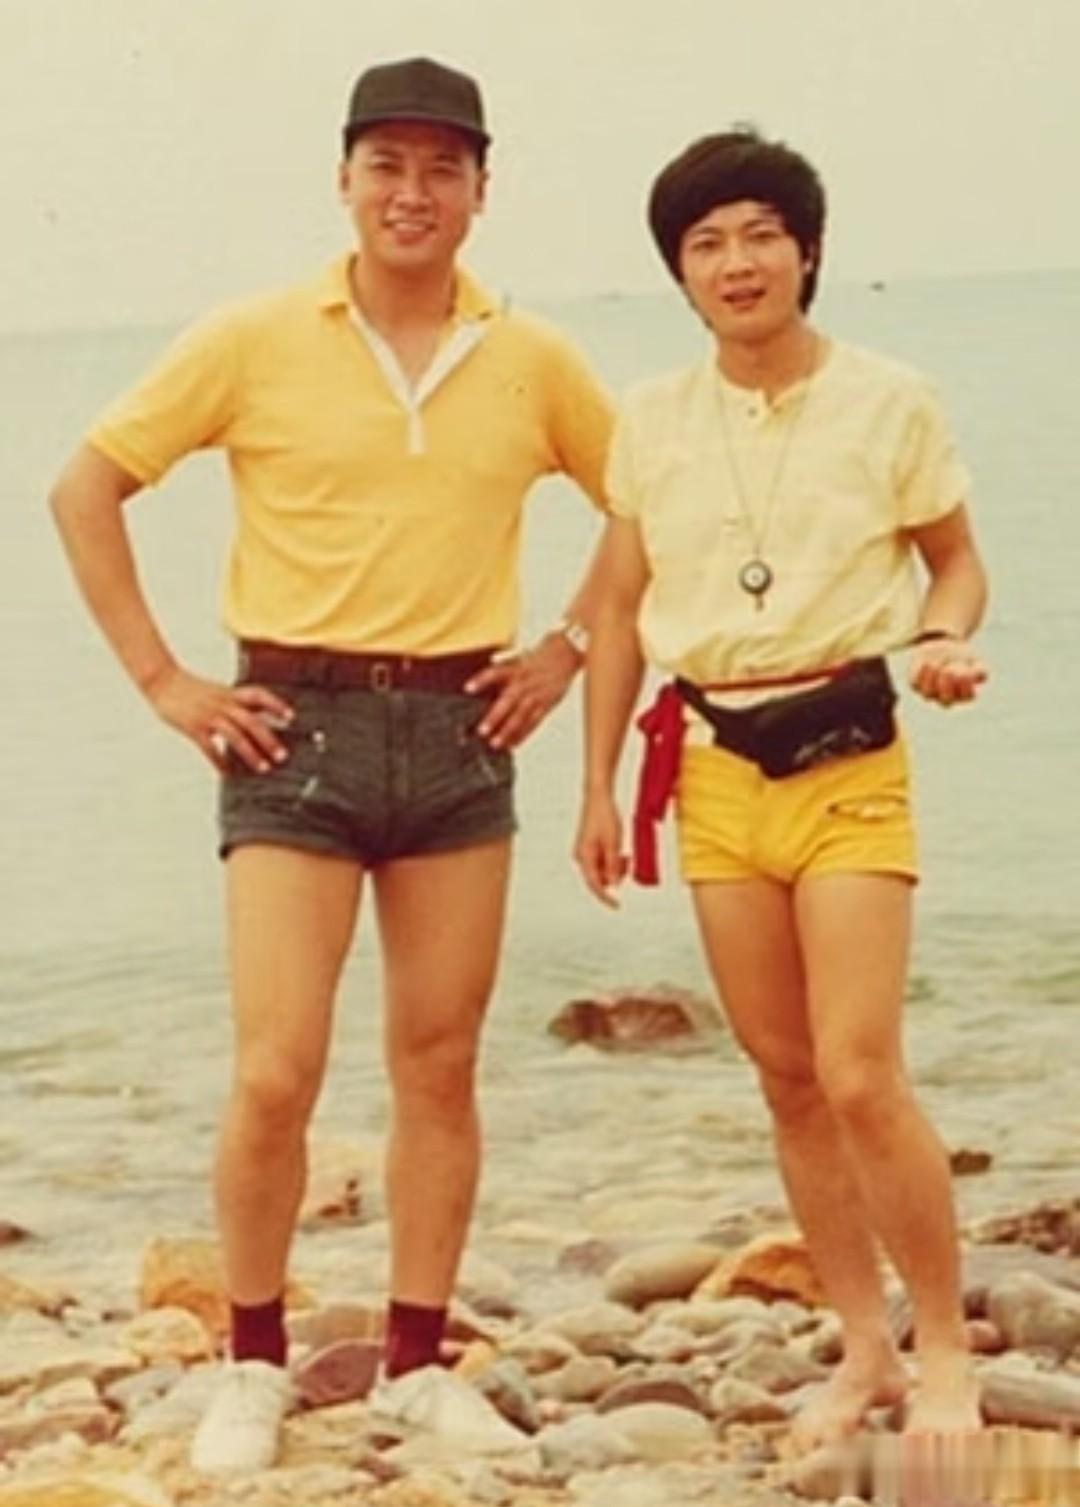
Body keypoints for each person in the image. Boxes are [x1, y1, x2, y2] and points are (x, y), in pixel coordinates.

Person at [49, 56, 611, 1474]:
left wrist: (567, 648)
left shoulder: (532, 357)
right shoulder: (254, 337)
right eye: (388, 166)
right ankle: (252, 1362)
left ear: (482, 190)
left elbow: (651, 507)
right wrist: (166, 681)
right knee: (275, 1068)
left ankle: (417, 1367)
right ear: (347, 180)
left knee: (440, 1062)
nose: (413, 192)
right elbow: (86, 487)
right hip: (291, 726)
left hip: (463, 729)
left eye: (442, 168)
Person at [574, 127, 988, 1452]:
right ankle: (862, 1347)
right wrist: (597, 788)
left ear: (807, 251)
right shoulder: (650, 419)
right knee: (787, 1076)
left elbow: (956, 562)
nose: (736, 262)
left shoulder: (890, 399)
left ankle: (943, 1353)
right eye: (706, 244)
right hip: (712, 770)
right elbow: (620, 609)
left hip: (848, 758)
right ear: (680, 273)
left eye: (761, 234)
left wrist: (941, 640)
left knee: (861, 1071)